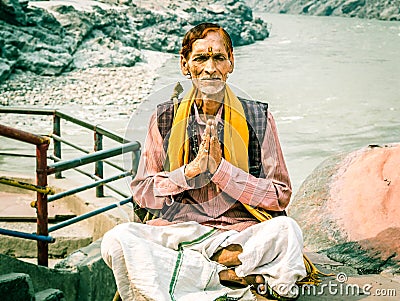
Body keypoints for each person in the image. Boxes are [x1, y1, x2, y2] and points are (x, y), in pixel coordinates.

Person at [101, 22, 307, 301]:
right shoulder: (165, 119)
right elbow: (142, 192)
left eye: (218, 57)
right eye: (200, 58)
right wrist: (190, 172)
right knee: (117, 240)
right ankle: (228, 272)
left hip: (241, 231)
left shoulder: (258, 118)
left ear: (230, 63)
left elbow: (280, 195)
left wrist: (223, 171)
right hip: (179, 233)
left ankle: (197, 273)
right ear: (185, 65)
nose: (210, 68)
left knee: (287, 231)